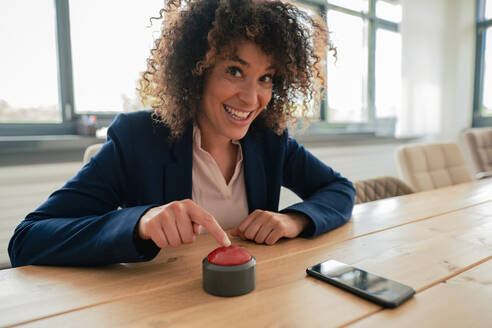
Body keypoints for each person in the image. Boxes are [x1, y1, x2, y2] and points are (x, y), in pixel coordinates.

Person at [8, 0, 355, 267]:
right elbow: (27, 240)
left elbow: (339, 189)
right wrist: (139, 222)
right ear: (196, 70)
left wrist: (294, 219)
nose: (252, 99)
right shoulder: (138, 139)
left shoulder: (270, 139)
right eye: (235, 71)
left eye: (266, 78)